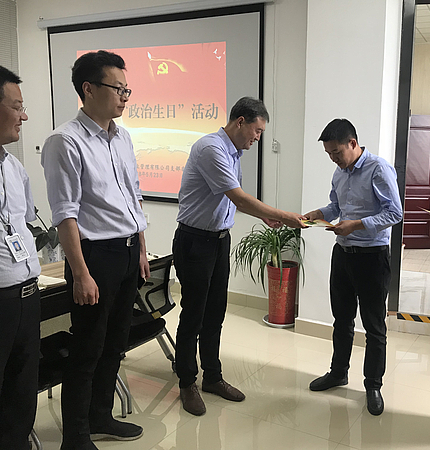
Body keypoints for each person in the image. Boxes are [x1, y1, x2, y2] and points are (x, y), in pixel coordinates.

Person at [41, 51, 149, 450]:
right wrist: (81, 273)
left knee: (115, 343)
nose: (125, 97)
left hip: (126, 253)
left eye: (127, 89)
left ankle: (101, 416)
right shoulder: (65, 141)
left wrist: (140, 250)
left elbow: (133, 197)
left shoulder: (122, 137)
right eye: (118, 88)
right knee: (87, 348)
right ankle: (76, 435)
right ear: (88, 89)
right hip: (95, 258)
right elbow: (65, 214)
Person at [174, 96, 306, 416]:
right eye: (257, 131)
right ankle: (187, 382)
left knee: (215, 312)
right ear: (240, 121)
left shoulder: (234, 153)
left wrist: (263, 216)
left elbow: (233, 201)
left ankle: (212, 377)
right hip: (195, 241)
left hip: (219, 241)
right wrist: (283, 215)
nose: (258, 138)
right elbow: (239, 198)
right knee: (194, 315)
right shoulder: (211, 148)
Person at [305, 118, 402, 416]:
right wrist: (318, 213)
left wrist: (357, 224)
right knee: (342, 319)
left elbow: (394, 213)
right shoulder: (340, 172)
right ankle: (338, 373)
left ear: (353, 143)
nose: (333, 158)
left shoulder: (378, 168)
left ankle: (373, 385)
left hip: (372, 257)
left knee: (374, 326)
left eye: (336, 152)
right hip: (343, 255)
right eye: (329, 154)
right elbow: (336, 207)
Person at [0, 66, 41, 450]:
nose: (23, 116)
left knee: (22, 389)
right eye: (17, 107)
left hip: (27, 295)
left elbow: (24, 221)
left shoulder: (14, 167)